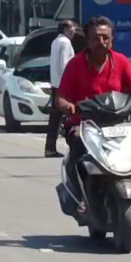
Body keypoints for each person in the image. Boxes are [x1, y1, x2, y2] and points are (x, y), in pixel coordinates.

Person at [56, 17, 131, 201]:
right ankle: (80, 196)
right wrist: (67, 106)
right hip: (84, 125)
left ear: (112, 40)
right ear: (87, 41)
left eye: (106, 38)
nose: (101, 42)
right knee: (78, 150)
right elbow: (61, 96)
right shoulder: (75, 64)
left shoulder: (120, 61)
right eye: (96, 38)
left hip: (119, 124)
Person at [45, 20, 77, 158]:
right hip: (62, 85)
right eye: (72, 27)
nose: (74, 30)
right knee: (66, 116)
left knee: (55, 118)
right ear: (65, 29)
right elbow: (65, 65)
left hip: (56, 84)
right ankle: (55, 148)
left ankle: (50, 147)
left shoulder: (56, 41)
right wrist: (69, 84)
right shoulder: (65, 42)